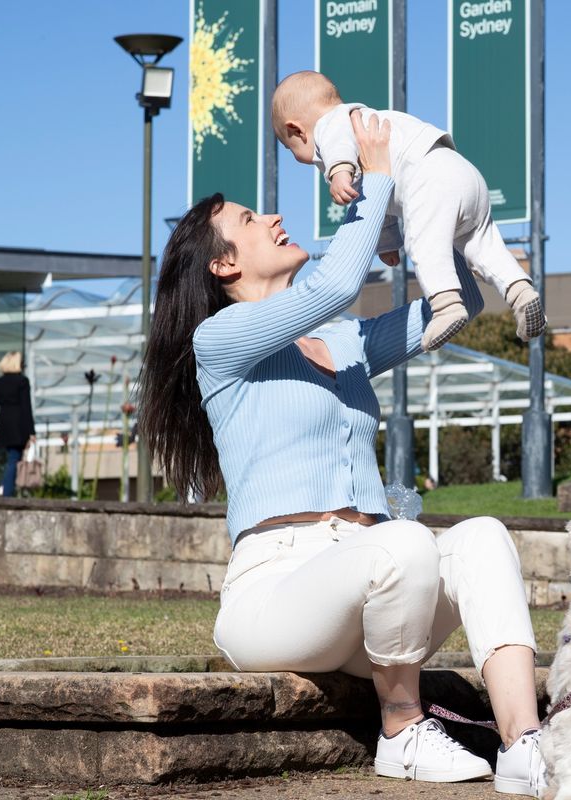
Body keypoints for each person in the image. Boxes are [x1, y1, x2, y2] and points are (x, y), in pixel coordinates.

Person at [138, 114, 546, 797]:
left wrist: (430, 208)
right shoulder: (222, 341)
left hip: (377, 605)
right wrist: (378, 179)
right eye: (248, 217)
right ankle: (402, 729)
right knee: (404, 544)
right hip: (277, 599)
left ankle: (528, 744)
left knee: (482, 538)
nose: (273, 216)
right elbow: (333, 284)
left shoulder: (347, 342)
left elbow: (461, 304)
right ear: (223, 263)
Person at [271, 70, 546, 352]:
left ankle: (447, 305)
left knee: (424, 242)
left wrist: (340, 172)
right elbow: (382, 196)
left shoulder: (334, 123)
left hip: (429, 179)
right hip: (463, 171)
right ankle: (522, 294)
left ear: (297, 130)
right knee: (482, 244)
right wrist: (389, 242)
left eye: (290, 147)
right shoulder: (371, 120)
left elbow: (337, 146)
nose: (298, 157)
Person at [0, 350, 36, 498]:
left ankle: (6, 489)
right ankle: (6, 493)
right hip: (18, 424)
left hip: (3, 423)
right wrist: (31, 432)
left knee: (10, 458)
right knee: (13, 459)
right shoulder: (22, 382)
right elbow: (26, 408)